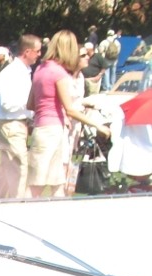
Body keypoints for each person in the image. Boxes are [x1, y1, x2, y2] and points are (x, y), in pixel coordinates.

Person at [26, 30, 112, 197]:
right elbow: (70, 109)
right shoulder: (59, 73)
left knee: (56, 182)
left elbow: (31, 104)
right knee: (38, 185)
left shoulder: (40, 69)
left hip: (41, 128)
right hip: (54, 131)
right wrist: (98, 125)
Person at [0, 34, 42, 199]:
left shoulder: (23, 71)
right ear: (27, 52)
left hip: (16, 124)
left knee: (6, 170)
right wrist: (31, 106)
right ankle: (16, 205)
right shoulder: (12, 72)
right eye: (37, 51)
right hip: (11, 124)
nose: (39, 54)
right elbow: (7, 104)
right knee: (20, 169)